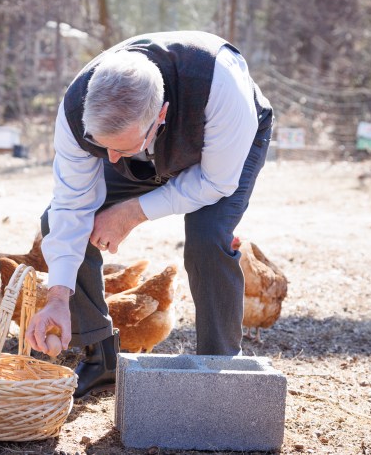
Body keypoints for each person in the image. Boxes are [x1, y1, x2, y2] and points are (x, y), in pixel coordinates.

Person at [25, 31, 273, 399]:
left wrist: (132, 212)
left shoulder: (221, 86)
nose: (109, 161)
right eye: (101, 147)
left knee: (208, 238)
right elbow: (71, 204)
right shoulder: (76, 110)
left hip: (219, 155)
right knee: (57, 223)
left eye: (120, 148)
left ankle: (220, 368)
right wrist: (58, 296)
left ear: (161, 115)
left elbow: (215, 182)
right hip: (148, 142)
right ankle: (101, 354)